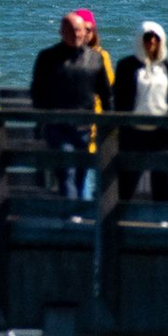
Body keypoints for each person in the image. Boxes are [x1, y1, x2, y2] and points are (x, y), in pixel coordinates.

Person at [30, 12, 112, 200]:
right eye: (69, 30)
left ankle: (78, 217)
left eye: (78, 30)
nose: (74, 34)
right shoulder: (47, 57)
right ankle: (72, 217)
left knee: (82, 175)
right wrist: (45, 117)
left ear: (85, 32)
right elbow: (37, 91)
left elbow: (106, 95)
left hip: (86, 128)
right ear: (61, 31)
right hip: (57, 127)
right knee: (66, 170)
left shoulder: (95, 58)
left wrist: (109, 122)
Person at [113, 21, 168, 202]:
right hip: (132, 133)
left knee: (162, 180)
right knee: (126, 183)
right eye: (147, 37)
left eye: (156, 38)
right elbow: (117, 98)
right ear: (140, 39)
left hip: (161, 134)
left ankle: (162, 222)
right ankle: (121, 222)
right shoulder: (126, 66)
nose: (151, 41)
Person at [75, 8, 115, 200]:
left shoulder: (101, 56)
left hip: (97, 126)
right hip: (74, 126)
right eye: (83, 29)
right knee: (77, 176)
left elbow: (110, 92)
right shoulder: (66, 57)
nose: (86, 33)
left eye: (90, 29)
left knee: (92, 177)